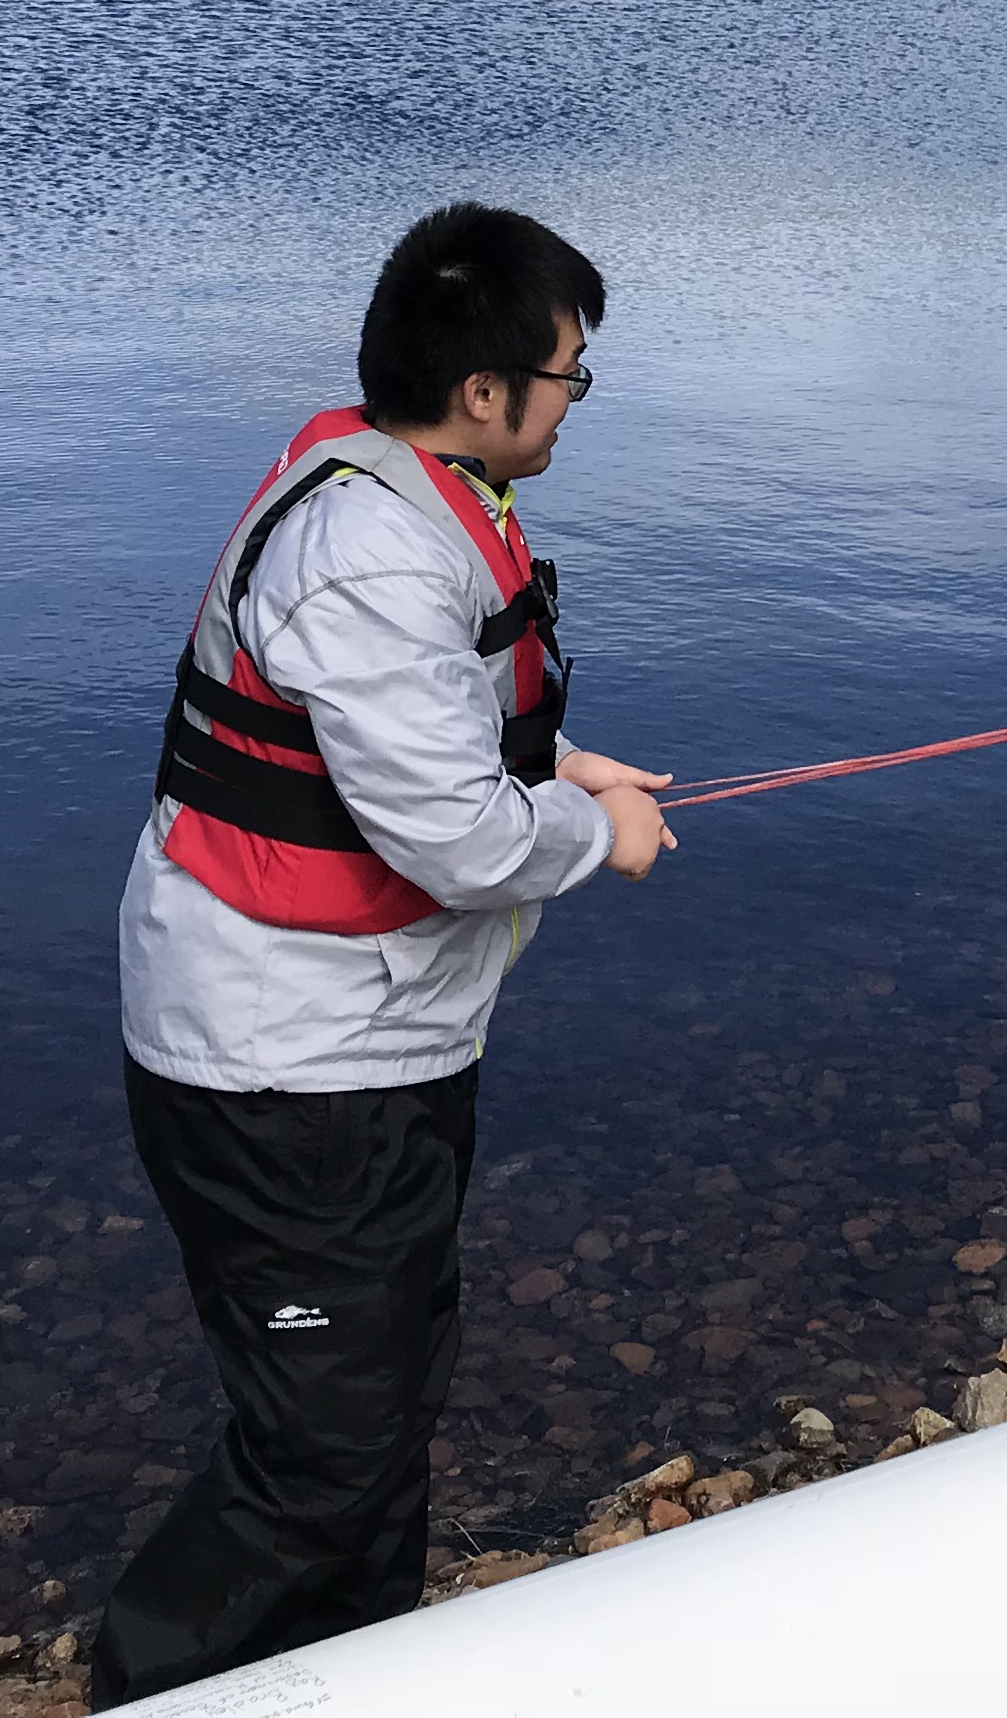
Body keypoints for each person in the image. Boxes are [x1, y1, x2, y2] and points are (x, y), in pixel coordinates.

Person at [95, 203, 676, 1700]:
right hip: (282, 1070)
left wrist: (573, 771)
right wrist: (595, 836)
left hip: (380, 1046)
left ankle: (348, 1678)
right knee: (323, 1451)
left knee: (385, 1399)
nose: (575, 400)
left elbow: (419, 743)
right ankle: (145, 1686)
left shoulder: (415, 488)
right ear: (483, 390)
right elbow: (462, 842)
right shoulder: (365, 548)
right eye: (568, 374)